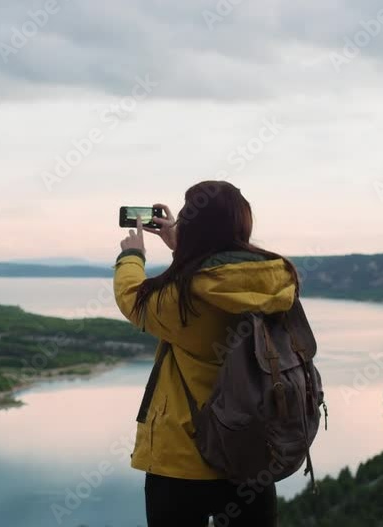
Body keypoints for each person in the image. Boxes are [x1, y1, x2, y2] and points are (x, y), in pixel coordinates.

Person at [113, 180, 299, 527]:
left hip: (182, 461)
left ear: (195, 229)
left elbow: (133, 300)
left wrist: (132, 256)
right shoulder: (277, 281)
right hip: (253, 454)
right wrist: (182, 246)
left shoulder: (185, 297)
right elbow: (222, 276)